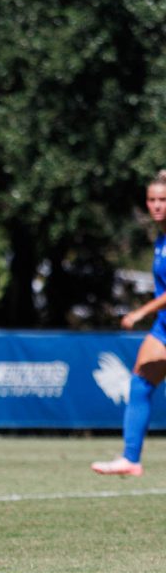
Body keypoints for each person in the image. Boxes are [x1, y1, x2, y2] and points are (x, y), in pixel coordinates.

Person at [93, 171, 166, 477]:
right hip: (164, 326)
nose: (156, 205)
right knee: (140, 382)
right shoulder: (161, 239)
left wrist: (139, 313)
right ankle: (130, 459)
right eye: (151, 199)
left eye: (163, 199)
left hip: (159, 319)